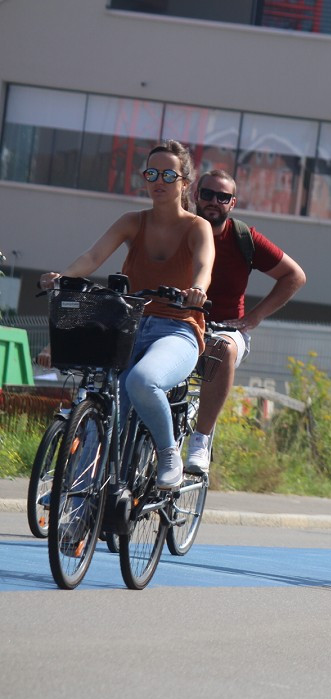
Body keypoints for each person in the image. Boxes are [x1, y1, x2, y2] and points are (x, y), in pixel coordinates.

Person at [39, 140, 213, 489]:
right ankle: (77, 501)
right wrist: (65, 277)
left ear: (184, 183)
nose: (157, 181)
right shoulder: (132, 222)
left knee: (141, 381)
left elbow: (204, 264)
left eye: (167, 174)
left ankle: (167, 454)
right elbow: (93, 256)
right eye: (151, 173)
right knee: (102, 404)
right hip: (128, 325)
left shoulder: (197, 227)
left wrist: (197, 289)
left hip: (178, 329)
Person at [183, 170, 307, 474]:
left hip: (225, 329)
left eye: (222, 197)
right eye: (208, 194)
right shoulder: (179, 229)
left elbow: (295, 276)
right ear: (195, 195)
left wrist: (254, 317)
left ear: (232, 203)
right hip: (180, 323)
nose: (214, 201)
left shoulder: (243, 237)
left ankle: (201, 439)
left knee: (221, 349)